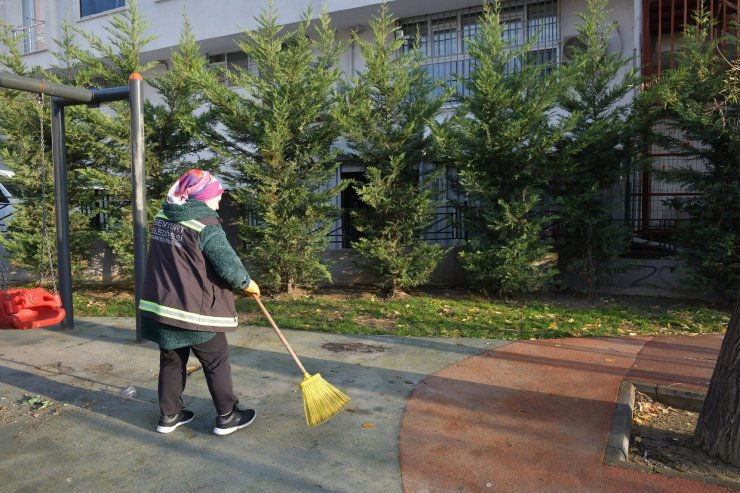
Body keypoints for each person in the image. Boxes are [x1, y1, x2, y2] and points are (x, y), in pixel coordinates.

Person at [139, 169, 261, 435]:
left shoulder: (162, 217)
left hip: (163, 307)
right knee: (216, 361)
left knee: (172, 360)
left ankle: (169, 416)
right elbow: (228, 265)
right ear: (203, 197)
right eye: (217, 195)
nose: (220, 200)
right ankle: (227, 417)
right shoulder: (206, 225)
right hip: (196, 312)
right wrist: (247, 283)